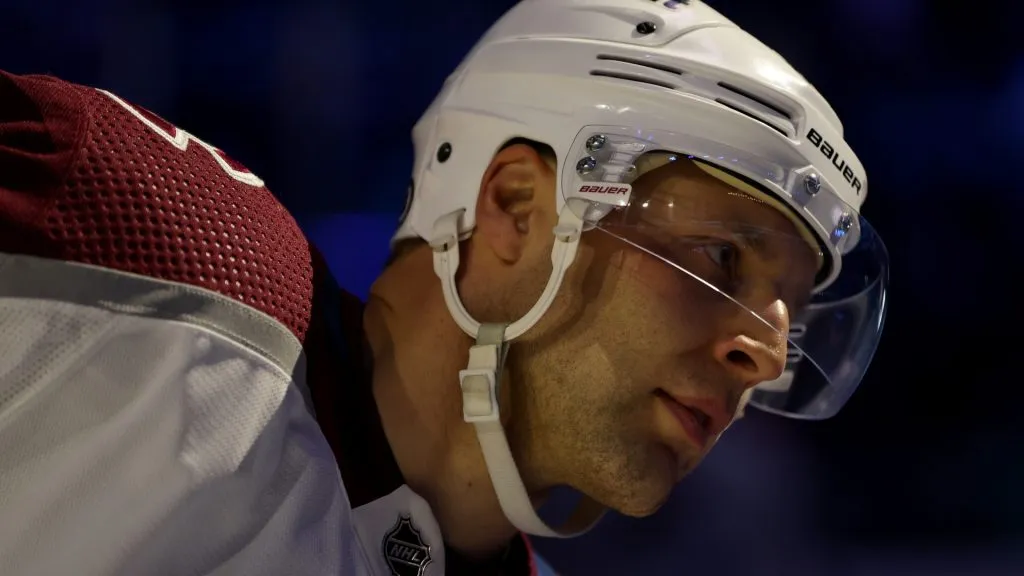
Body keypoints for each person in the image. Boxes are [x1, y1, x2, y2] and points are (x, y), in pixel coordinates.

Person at [0, 2, 888, 576]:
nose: (767, 352)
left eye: (791, 310)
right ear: (514, 207)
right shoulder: (133, 233)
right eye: (725, 259)